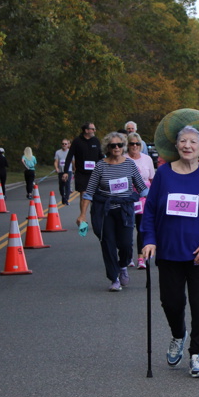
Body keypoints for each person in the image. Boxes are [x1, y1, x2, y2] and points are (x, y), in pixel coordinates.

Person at [141, 124, 199, 378]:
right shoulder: (163, 174)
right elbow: (150, 211)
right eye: (183, 141)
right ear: (176, 145)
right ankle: (178, 335)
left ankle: (197, 353)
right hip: (169, 251)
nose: (187, 146)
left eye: (193, 142)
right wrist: (149, 239)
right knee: (171, 302)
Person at [76, 132, 147, 291]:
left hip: (125, 210)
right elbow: (89, 191)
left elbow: (142, 188)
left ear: (123, 146)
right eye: (112, 145)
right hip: (105, 211)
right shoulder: (100, 166)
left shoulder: (129, 165)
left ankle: (123, 266)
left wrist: (156, 206)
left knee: (126, 244)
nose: (116, 148)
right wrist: (82, 214)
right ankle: (114, 278)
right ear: (107, 148)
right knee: (108, 243)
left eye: (119, 145)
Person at [126, 132, 156, 268]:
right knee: (127, 229)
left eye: (137, 144)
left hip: (144, 198)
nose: (135, 146)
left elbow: (152, 179)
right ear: (127, 145)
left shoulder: (147, 159)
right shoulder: (123, 159)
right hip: (128, 198)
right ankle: (127, 257)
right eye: (132, 143)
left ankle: (140, 258)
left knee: (141, 228)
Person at [64, 122, 102, 197]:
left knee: (94, 195)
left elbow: (101, 156)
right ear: (86, 130)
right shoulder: (77, 141)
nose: (94, 131)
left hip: (94, 173)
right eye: (93, 129)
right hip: (81, 173)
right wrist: (65, 172)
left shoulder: (96, 141)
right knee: (84, 195)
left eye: (95, 129)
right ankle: (83, 205)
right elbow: (69, 157)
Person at [54, 139, 72, 205]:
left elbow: (73, 161)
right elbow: (56, 161)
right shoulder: (58, 152)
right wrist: (56, 168)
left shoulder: (70, 152)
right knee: (61, 185)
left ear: (68, 145)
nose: (64, 145)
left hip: (68, 170)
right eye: (63, 144)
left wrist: (75, 168)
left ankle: (66, 198)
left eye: (65, 144)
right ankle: (63, 196)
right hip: (61, 170)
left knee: (67, 184)